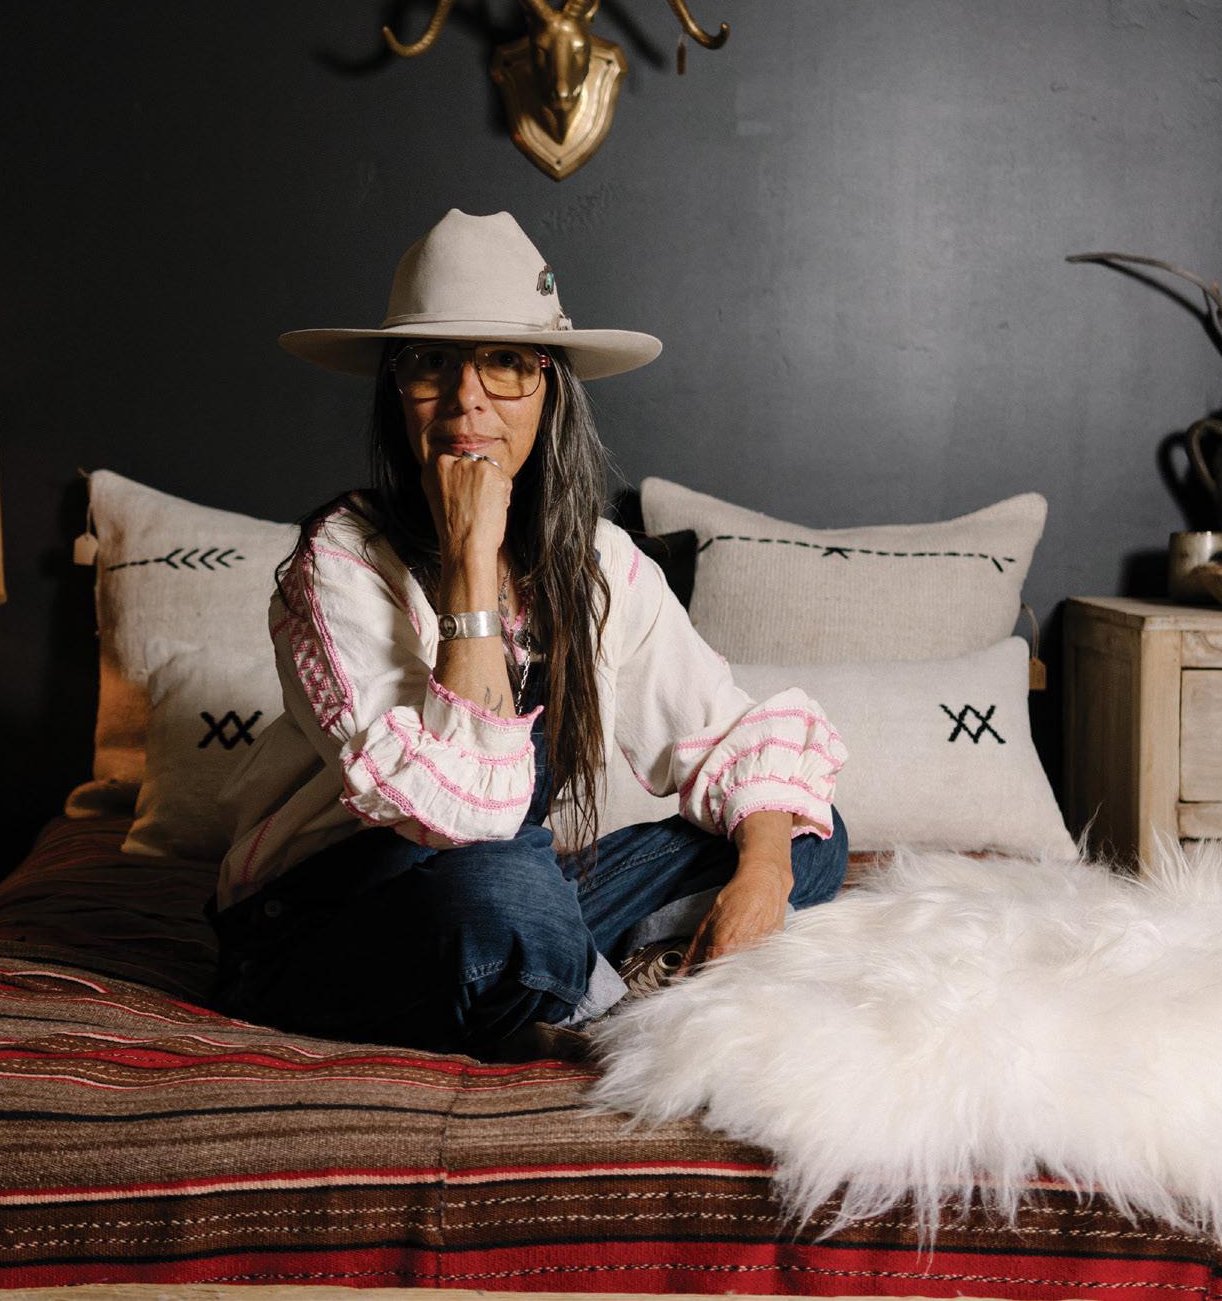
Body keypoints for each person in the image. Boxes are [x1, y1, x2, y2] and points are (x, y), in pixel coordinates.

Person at [206, 208, 849, 1062]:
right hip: (326, 919)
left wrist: (761, 875)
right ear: (395, 390)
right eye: (431, 363)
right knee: (506, 886)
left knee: (798, 834)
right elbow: (459, 819)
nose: (466, 398)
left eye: (505, 362)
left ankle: (553, 979)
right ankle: (600, 992)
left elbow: (731, 738)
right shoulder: (338, 562)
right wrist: (471, 556)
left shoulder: (597, 562)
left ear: (550, 390)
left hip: (511, 888)